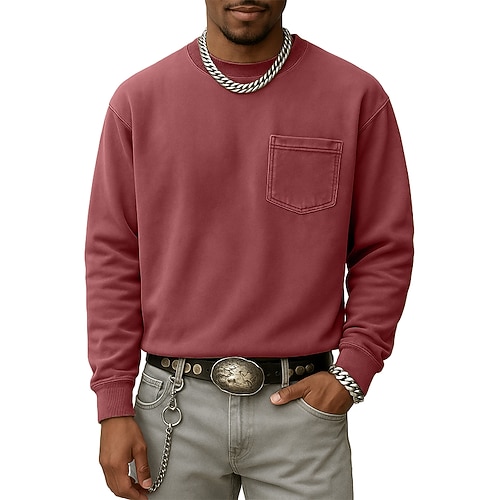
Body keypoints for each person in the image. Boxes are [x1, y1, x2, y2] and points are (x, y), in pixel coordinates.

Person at [85, 1, 414, 499]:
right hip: (172, 408)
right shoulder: (138, 100)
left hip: (303, 412)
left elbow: (384, 247)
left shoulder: (356, 96)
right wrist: (112, 401)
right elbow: (112, 255)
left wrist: (354, 370)